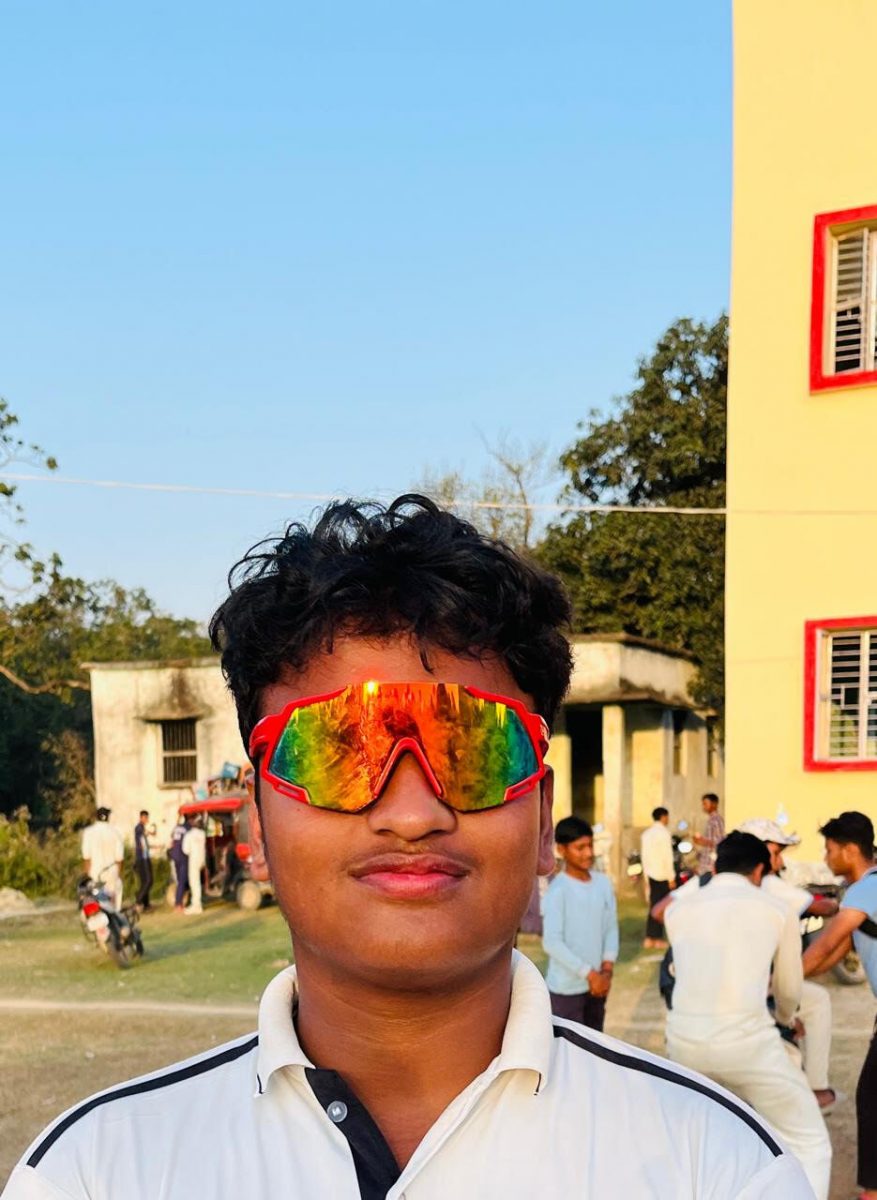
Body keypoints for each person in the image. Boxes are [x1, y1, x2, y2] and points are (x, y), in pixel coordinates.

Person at [4, 496, 813, 1199]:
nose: (412, 812)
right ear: (257, 822)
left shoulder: (717, 1170)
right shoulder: (95, 1174)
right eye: (334, 750)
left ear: (540, 818)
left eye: (476, 748)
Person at [665, 830, 832, 1199]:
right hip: (748, 1046)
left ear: (716, 866)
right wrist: (787, 1020)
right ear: (759, 871)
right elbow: (789, 989)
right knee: (810, 1141)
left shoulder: (678, 910)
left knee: (700, 1145)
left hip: (683, 1046)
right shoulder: (776, 909)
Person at [739, 817, 839, 1113]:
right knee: (816, 1001)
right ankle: (817, 1086)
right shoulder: (768, 883)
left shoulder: (713, 883)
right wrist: (843, 905)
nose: (780, 861)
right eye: (775, 852)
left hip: (713, 993)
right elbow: (818, 906)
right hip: (755, 990)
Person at [804, 811, 877, 1200]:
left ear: (849, 850)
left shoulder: (865, 889)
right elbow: (832, 957)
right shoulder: (867, 891)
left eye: (829, 849)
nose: (825, 856)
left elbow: (825, 945)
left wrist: (771, 983)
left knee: (871, 1100)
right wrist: (790, 980)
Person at [541, 815, 618, 1031]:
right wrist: (589, 974)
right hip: (565, 989)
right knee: (569, 1049)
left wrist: (606, 971)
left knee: (594, 1045)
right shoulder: (558, 891)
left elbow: (610, 928)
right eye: (580, 847)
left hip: (597, 986)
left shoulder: (603, 884)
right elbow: (552, 943)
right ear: (561, 850)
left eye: (590, 845)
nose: (589, 853)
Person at [640, 805, 674, 948]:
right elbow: (667, 856)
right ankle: (657, 938)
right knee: (661, 907)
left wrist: (645, 877)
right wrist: (671, 877)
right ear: (663, 817)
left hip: (651, 874)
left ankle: (650, 937)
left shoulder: (646, 834)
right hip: (662, 874)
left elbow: (644, 857)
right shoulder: (664, 833)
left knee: (654, 905)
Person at [80, 806, 124, 911]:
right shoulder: (115, 832)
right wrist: (118, 874)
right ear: (108, 817)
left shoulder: (88, 832)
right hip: (111, 871)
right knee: (113, 904)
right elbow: (119, 859)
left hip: (95, 871)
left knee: (95, 902)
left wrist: (87, 875)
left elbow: (86, 858)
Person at [693, 791, 724, 875]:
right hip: (704, 866)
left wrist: (702, 841)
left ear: (714, 804)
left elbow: (719, 842)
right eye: (703, 804)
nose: (703, 806)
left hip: (710, 867)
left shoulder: (716, 820)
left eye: (705, 804)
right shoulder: (711, 819)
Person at [182, 814, 207, 914]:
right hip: (201, 859)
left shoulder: (189, 835)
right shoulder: (202, 834)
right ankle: (197, 903)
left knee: (194, 882)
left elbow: (185, 850)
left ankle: (196, 905)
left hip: (193, 859)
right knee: (198, 882)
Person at [133, 810, 154, 912]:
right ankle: (138, 900)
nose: (146, 820)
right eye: (145, 818)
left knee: (146, 881)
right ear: (141, 817)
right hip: (142, 858)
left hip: (145, 856)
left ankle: (146, 904)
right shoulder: (139, 827)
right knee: (148, 880)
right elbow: (142, 834)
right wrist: (151, 832)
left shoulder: (142, 828)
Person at [168, 813, 189, 911]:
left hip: (175, 855)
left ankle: (180, 898)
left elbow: (172, 837)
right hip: (182, 855)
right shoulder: (187, 828)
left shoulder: (177, 827)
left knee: (179, 880)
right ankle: (178, 903)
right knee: (182, 880)